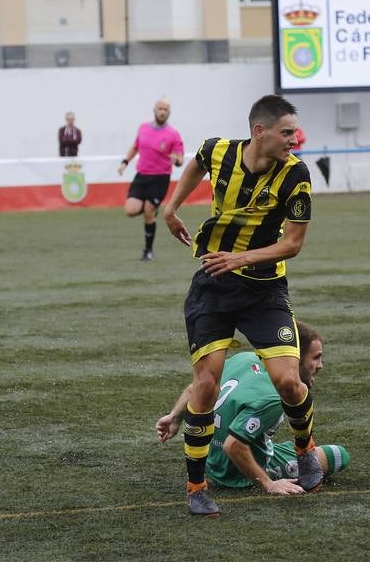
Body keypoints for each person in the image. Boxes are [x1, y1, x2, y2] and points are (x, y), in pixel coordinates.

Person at [161, 94, 318, 516]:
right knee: (206, 385)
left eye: (294, 132)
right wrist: (171, 208)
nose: (294, 139)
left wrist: (241, 257)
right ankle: (196, 488)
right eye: (287, 133)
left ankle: (305, 450)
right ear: (259, 132)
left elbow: (294, 244)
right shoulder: (219, 151)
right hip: (213, 288)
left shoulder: (296, 175)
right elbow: (196, 161)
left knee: (288, 381)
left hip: (265, 292)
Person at [156, 321, 350, 494]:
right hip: (233, 473)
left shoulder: (245, 358)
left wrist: (174, 417)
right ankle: (265, 475)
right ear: (295, 357)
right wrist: (268, 484)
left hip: (208, 461)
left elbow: (195, 389)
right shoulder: (274, 396)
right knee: (339, 455)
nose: (320, 365)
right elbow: (233, 446)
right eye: (316, 357)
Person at [119, 99, 184, 261]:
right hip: (141, 176)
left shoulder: (173, 134)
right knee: (130, 211)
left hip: (160, 178)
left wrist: (176, 159)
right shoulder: (143, 128)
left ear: (169, 113)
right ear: (154, 110)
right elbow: (135, 147)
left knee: (148, 212)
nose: (163, 111)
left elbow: (180, 159)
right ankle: (150, 207)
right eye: (160, 108)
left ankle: (147, 251)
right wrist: (125, 162)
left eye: (166, 109)